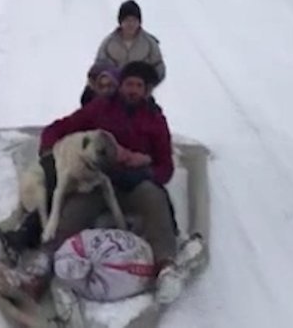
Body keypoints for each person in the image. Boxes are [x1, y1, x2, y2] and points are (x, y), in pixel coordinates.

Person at [13, 61, 184, 303]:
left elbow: (166, 168)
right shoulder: (101, 108)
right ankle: (41, 268)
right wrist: (50, 154)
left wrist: (144, 170)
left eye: (139, 85)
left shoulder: (155, 120)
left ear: (146, 90)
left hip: (137, 183)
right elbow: (60, 127)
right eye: (129, 84)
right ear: (120, 85)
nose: (133, 90)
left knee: (156, 200)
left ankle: (165, 267)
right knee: (71, 212)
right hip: (99, 180)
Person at [94, 0, 166, 85]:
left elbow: (158, 66)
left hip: (139, 89)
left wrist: (149, 83)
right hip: (115, 89)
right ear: (120, 22)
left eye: (134, 20)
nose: (131, 24)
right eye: (127, 20)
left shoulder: (149, 43)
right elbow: (99, 65)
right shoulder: (108, 42)